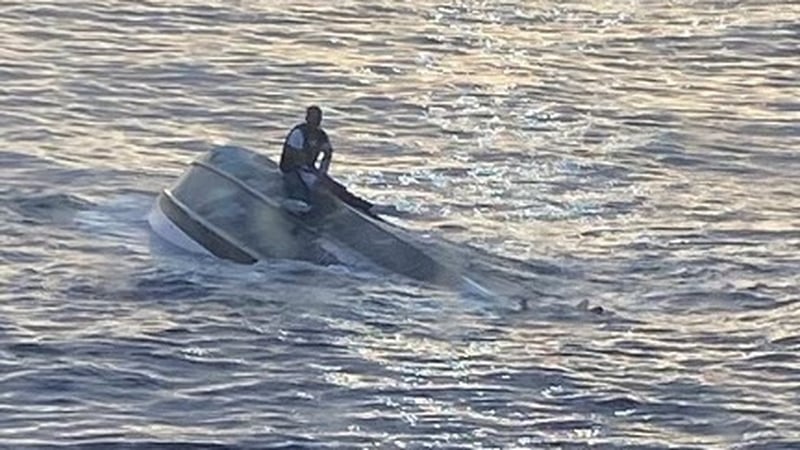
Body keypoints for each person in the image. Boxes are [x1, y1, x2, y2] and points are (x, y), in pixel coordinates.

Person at [280, 106, 375, 214]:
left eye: (318, 118)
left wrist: (322, 172)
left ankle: (365, 206)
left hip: (309, 169)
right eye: (313, 117)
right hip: (291, 168)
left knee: (335, 187)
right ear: (307, 118)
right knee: (300, 187)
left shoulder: (321, 135)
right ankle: (298, 204)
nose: (316, 121)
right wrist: (312, 176)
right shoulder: (298, 133)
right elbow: (294, 155)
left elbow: (328, 153)